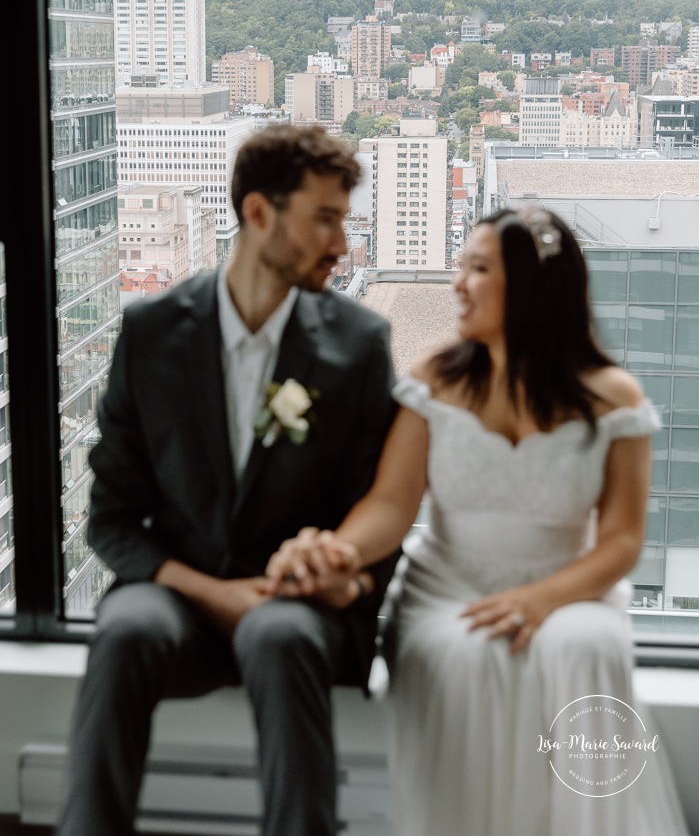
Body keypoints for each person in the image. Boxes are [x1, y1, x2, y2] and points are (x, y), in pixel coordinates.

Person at [267, 207, 690, 836]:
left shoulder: (613, 397)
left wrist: (539, 598)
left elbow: (625, 540)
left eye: (478, 268)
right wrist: (338, 552)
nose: (457, 283)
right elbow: (391, 506)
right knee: (461, 654)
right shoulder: (436, 380)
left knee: (586, 645)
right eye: (461, 266)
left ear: (531, 286)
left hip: (568, 584)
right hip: (449, 585)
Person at [56, 125, 398, 836]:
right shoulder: (151, 333)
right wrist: (216, 594)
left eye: (344, 220)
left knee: (278, 636)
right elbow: (111, 520)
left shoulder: (357, 343)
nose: (340, 244)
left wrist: (336, 578)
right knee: (122, 629)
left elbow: (374, 516)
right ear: (257, 213)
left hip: (296, 605)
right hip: (180, 595)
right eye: (325, 218)